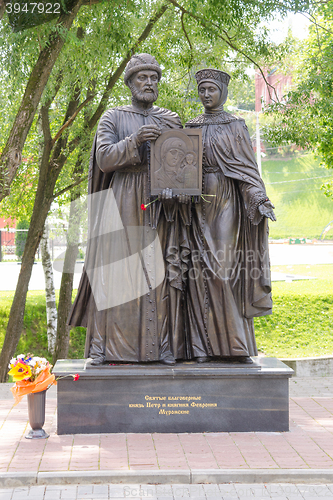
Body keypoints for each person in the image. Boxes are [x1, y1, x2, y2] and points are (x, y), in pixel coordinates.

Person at [68, 54, 189, 366]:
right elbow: (105, 158)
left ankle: (163, 347)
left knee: (158, 272)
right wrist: (135, 140)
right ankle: (105, 348)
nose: (149, 83)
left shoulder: (170, 119)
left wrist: (180, 188)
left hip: (161, 203)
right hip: (124, 198)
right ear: (130, 83)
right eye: (142, 78)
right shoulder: (113, 117)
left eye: (154, 78)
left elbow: (185, 164)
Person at [185, 69, 276, 364]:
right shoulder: (190, 126)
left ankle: (234, 345)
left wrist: (259, 199)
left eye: (211, 89)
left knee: (223, 271)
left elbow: (248, 171)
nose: (206, 95)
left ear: (222, 92)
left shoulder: (236, 125)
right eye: (202, 90)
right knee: (197, 273)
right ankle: (200, 346)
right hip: (196, 203)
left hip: (226, 203)